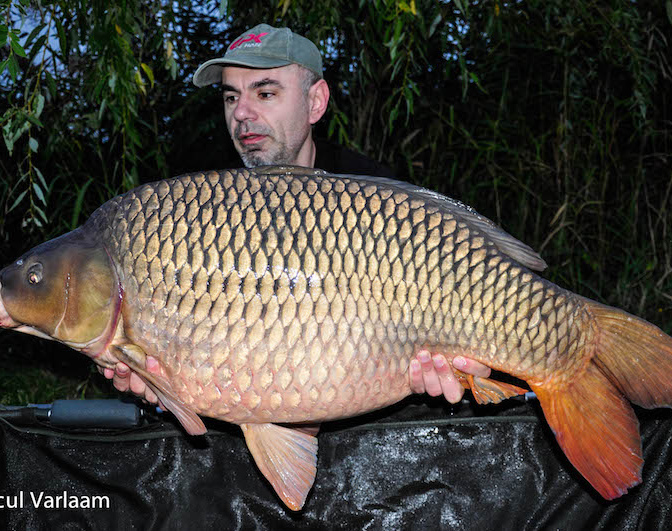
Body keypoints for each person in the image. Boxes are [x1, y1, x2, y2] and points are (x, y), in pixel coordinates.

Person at [101, 23, 491, 408]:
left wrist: (448, 370)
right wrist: (162, 383)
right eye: (231, 98)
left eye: (265, 92)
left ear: (316, 102)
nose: (242, 114)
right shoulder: (201, 209)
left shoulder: (377, 197)